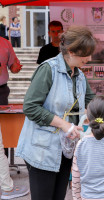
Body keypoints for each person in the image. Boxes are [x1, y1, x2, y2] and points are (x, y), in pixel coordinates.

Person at [16, 25, 104, 200]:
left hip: (65, 149)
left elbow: (95, 105)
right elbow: (30, 107)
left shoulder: (80, 76)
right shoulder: (48, 70)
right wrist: (64, 124)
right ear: (71, 51)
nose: (89, 58)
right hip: (42, 151)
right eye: (86, 54)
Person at [0, 37, 28, 200]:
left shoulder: (5, 43)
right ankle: (6, 186)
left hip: (1, 92)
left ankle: (4, 179)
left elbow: (14, 66)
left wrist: (16, 67)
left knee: (1, 139)